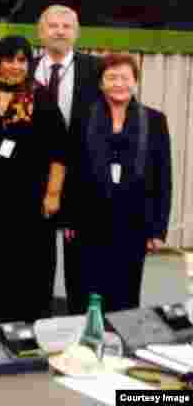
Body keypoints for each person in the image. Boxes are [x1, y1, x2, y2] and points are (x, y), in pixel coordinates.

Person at [66, 54, 171, 312]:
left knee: (124, 293)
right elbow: (72, 169)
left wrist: (158, 230)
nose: (118, 83)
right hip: (88, 221)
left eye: (125, 77)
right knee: (86, 291)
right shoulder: (83, 118)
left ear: (135, 82)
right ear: (101, 83)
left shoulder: (154, 120)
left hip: (133, 222)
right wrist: (68, 217)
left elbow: (163, 176)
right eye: (111, 77)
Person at [0, 35, 68, 324]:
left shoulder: (41, 98)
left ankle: (32, 328)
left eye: (21, 60)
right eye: (8, 60)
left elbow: (59, 151)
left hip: (33, 198)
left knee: (33, 266)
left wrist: (53, 194)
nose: (15, 66)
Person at [34, 5, 103, 314]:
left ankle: (79, 321)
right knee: (38, 254)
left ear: (76, 32)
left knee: (80, 259)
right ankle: (37, 316)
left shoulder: (97, 69)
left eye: (66, 26)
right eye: (53, 25)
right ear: (41, 31)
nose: (59, 31)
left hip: (81, 175)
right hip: (36, 175)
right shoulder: (26, 67)